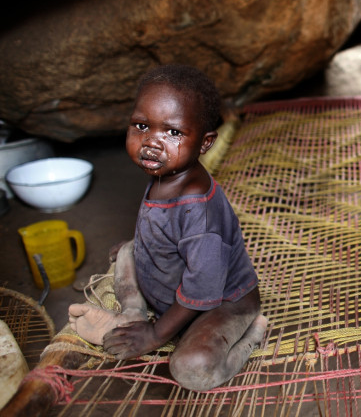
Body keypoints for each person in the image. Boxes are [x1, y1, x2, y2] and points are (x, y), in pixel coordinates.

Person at [69, 64, 267, 392]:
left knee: (192, 367)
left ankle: (250, 336)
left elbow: (203, 291)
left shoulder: (198, 211)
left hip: (222, 303)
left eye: (173, 132)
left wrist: (156, 334)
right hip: (173, 284)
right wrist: (143, 243)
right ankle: (133, 312)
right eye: (142, 125)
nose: (152, 142)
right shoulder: (168, 172)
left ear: (205, 143)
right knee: (129, 250)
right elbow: (164, 228)